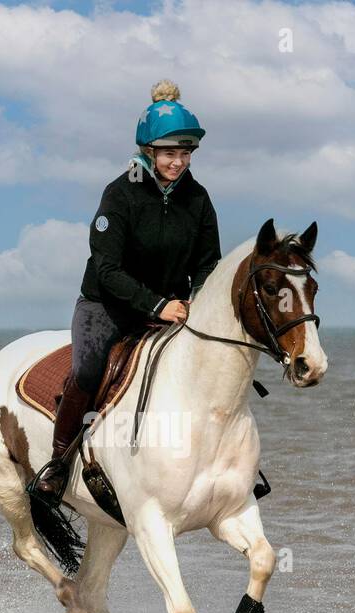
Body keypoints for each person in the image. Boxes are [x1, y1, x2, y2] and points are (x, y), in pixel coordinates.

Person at [28, 79, 222, 505]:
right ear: (149, 152)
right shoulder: (120, 194)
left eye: (185, 153)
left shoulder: (199, 199)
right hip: (107, 304)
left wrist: (198, 302)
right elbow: (108, 268)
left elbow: (209, 263)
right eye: (170, 153)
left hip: (173, 309)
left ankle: (220, 467)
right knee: (89, 369)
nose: (179, 161)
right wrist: (158, 304)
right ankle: (58, 464)